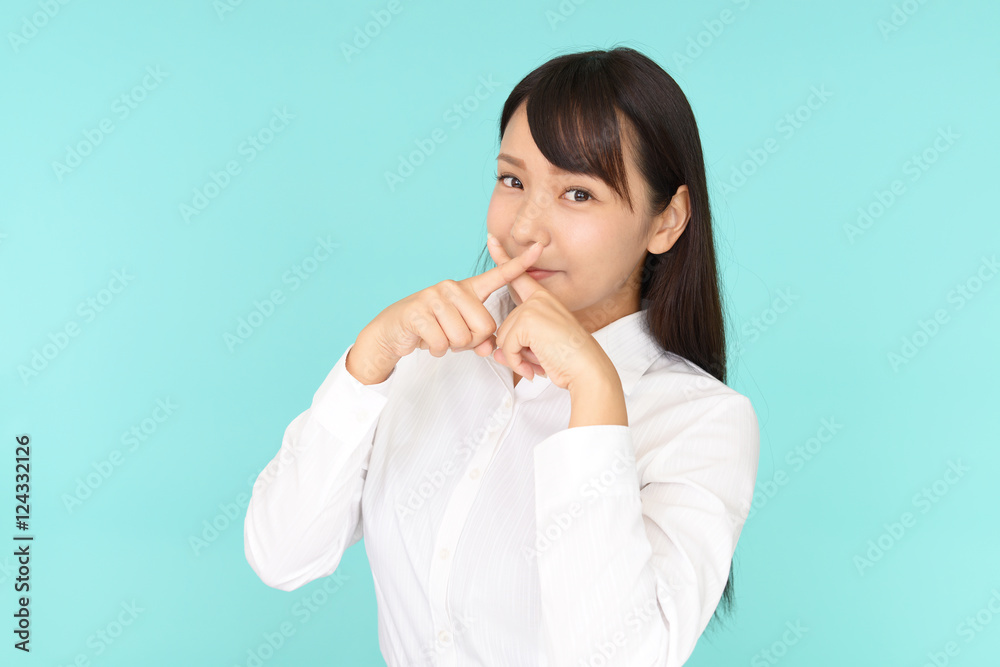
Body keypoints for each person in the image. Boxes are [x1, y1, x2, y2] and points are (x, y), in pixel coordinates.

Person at [244, 45, 760, 666]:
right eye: (512, 181)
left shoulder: (702, 422)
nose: (524, 229)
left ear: (666, 221)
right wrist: (369, 359)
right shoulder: (427, 354)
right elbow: (281, 556)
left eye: (578, 194)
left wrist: (596, 394)